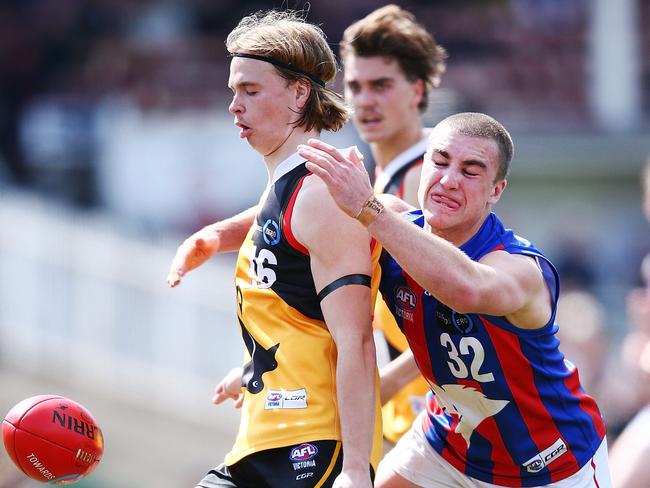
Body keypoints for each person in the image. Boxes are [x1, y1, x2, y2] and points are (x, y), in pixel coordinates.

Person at [298, 112, 612, 487]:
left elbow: (465, 291)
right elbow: (290, 219)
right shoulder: (391, 223)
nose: (448, 180)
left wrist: (367, 208)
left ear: (496, 190)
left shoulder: (521, 268)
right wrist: (215, 238)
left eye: (471, 170)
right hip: (448, 445)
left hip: (550, 463)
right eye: (440, 161)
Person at [172, 10, 382, 488]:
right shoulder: (286, 187)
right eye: (233, 92)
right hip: (264, 441)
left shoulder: (322, 194)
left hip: (314, 447)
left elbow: (356, 340)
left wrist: (354, 471)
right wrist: (252, 368)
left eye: (250, 91)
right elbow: (300, 315)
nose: (234, 106)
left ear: (299, 93)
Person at [339, 4, 447, 454]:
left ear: (416, 90)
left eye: (381, 85)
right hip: (408, 418)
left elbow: (460, 313)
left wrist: (380, 387)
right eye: (355, 86)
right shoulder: (378, 178)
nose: (365, 100)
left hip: (441, 414)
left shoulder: (428, 177)